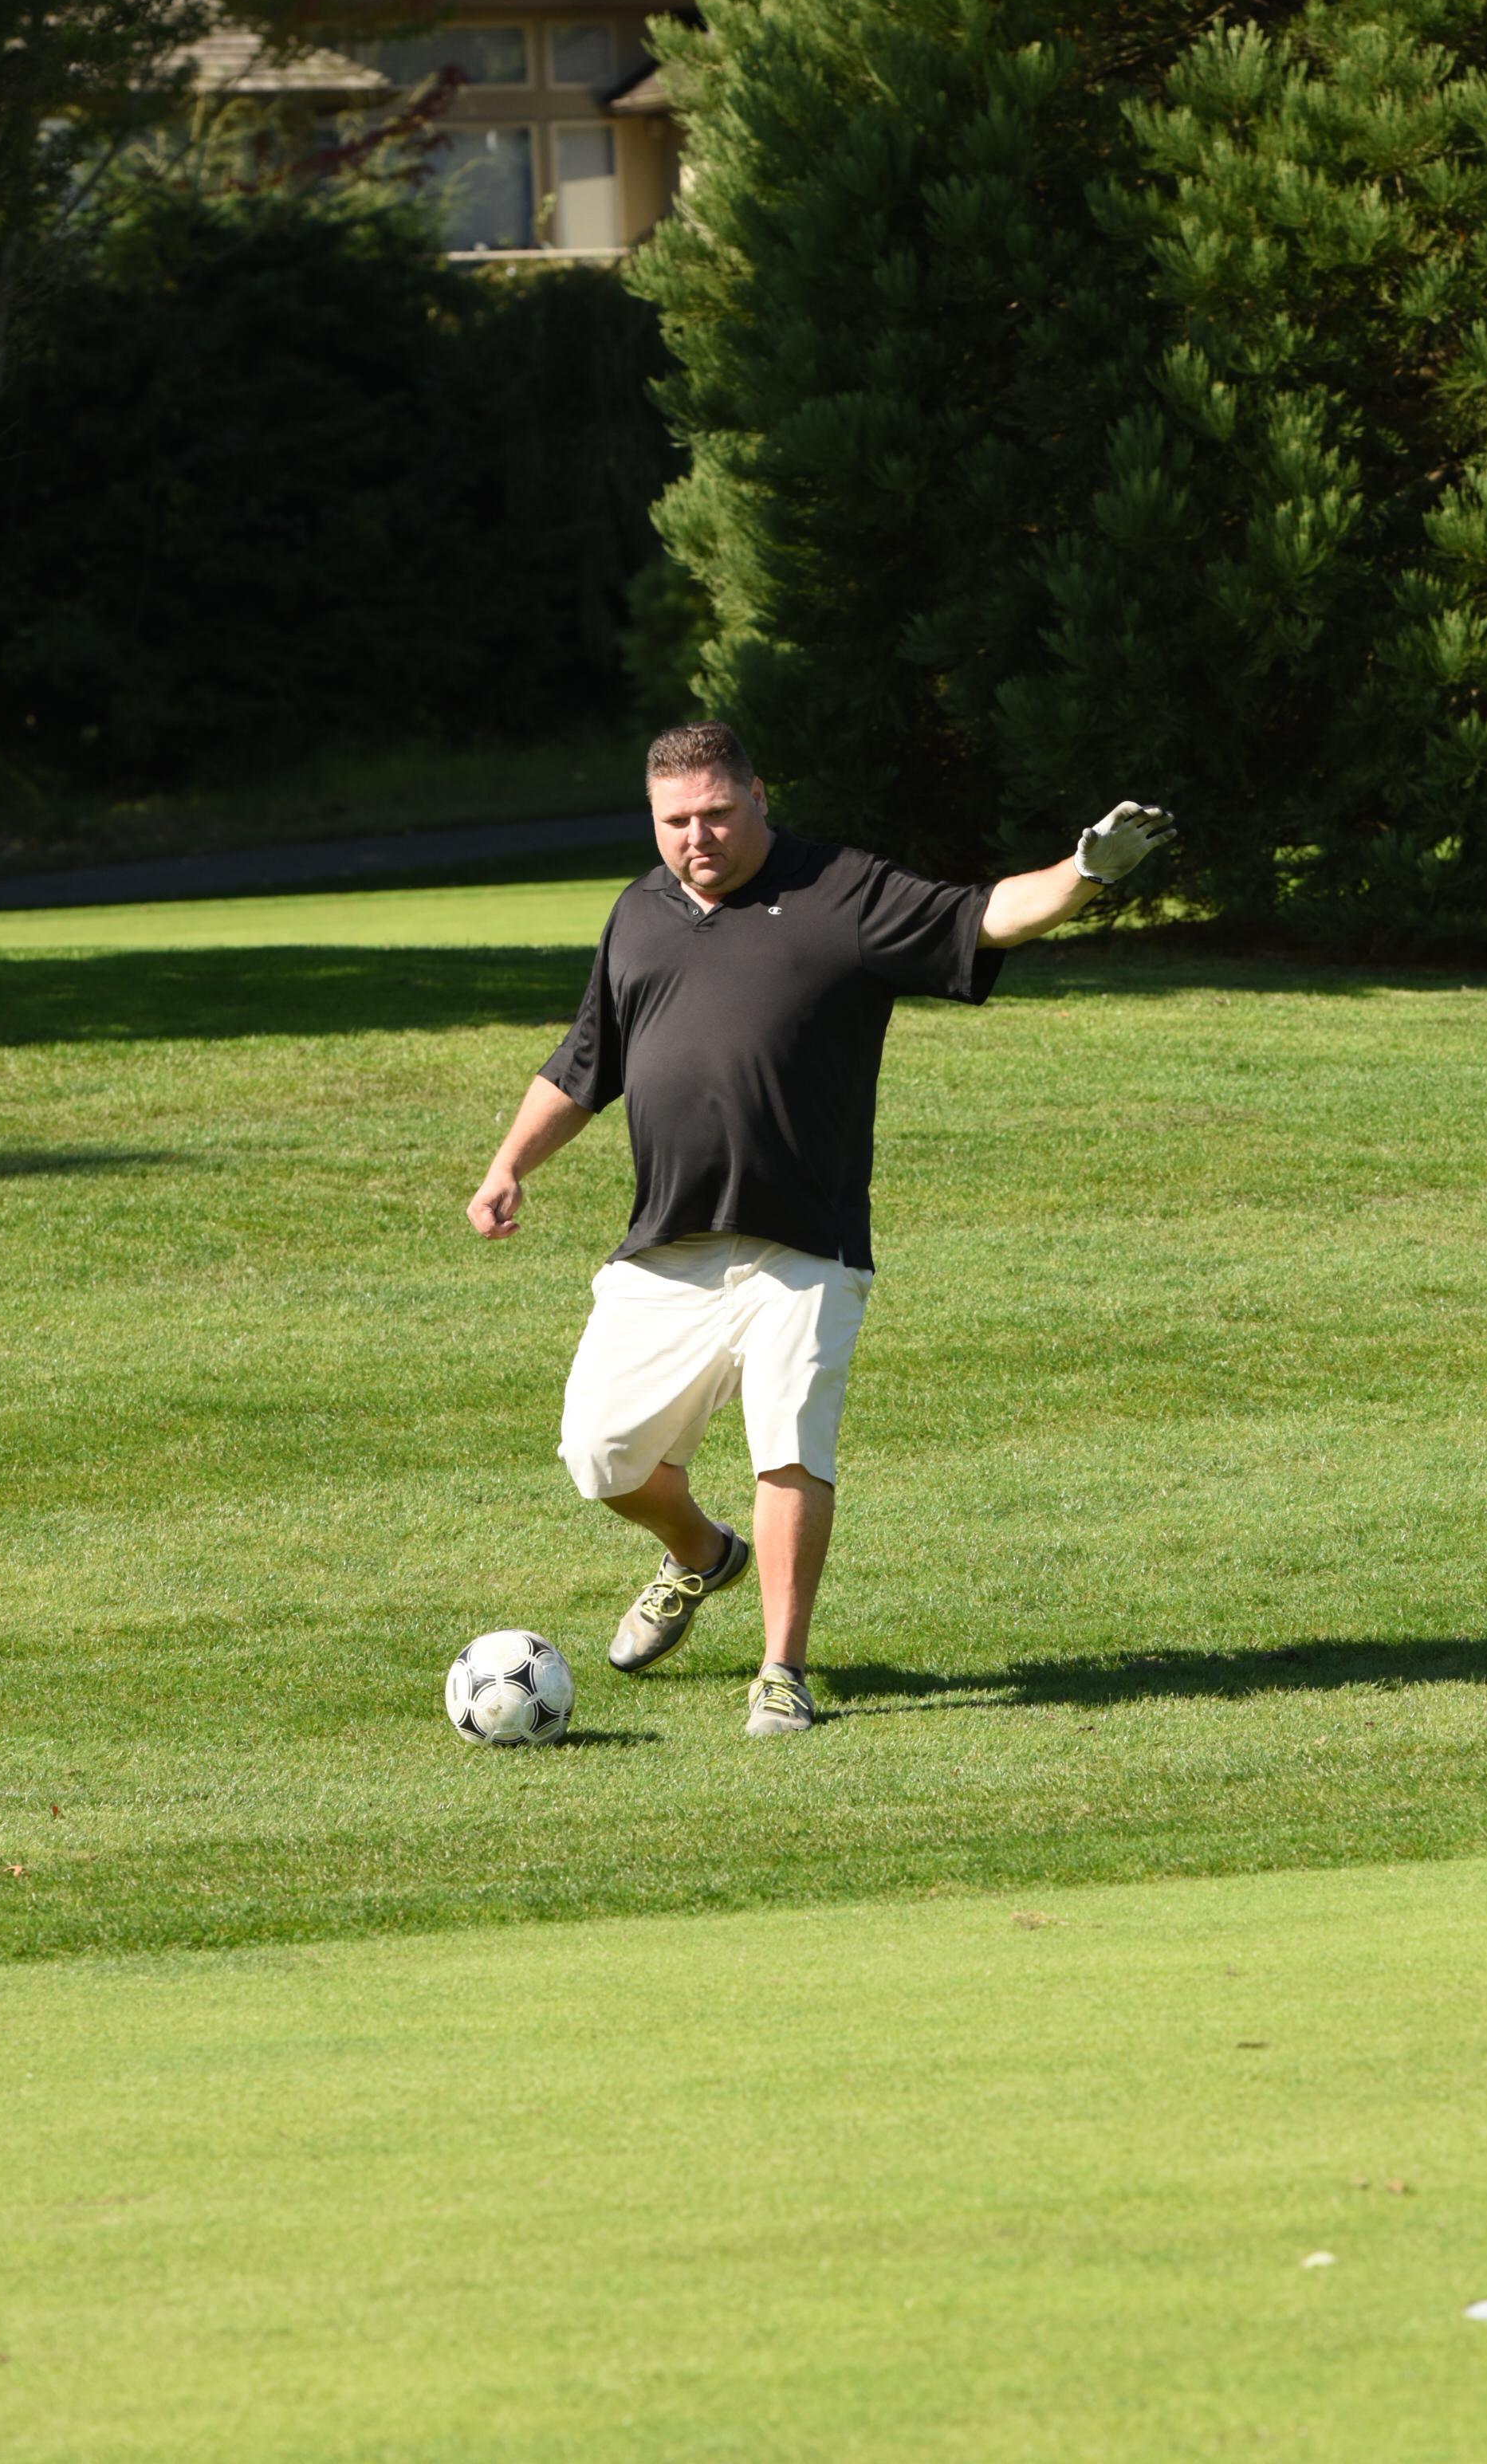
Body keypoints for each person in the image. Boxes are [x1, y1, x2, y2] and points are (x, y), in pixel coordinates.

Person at [467, 721, 1174, 1737]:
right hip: (669, 1243)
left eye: (716, 812)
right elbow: (587, 1062)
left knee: (788, 1445)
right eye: (675, 821)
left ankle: (780, 1671)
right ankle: (704, 1556)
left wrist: (1082, 872)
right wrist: (508, 1166)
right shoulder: (639, 913)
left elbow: (982, 920)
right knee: (600, 1456)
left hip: (805, 1242)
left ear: (759, 795)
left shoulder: (844, 891)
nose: (696, 836)